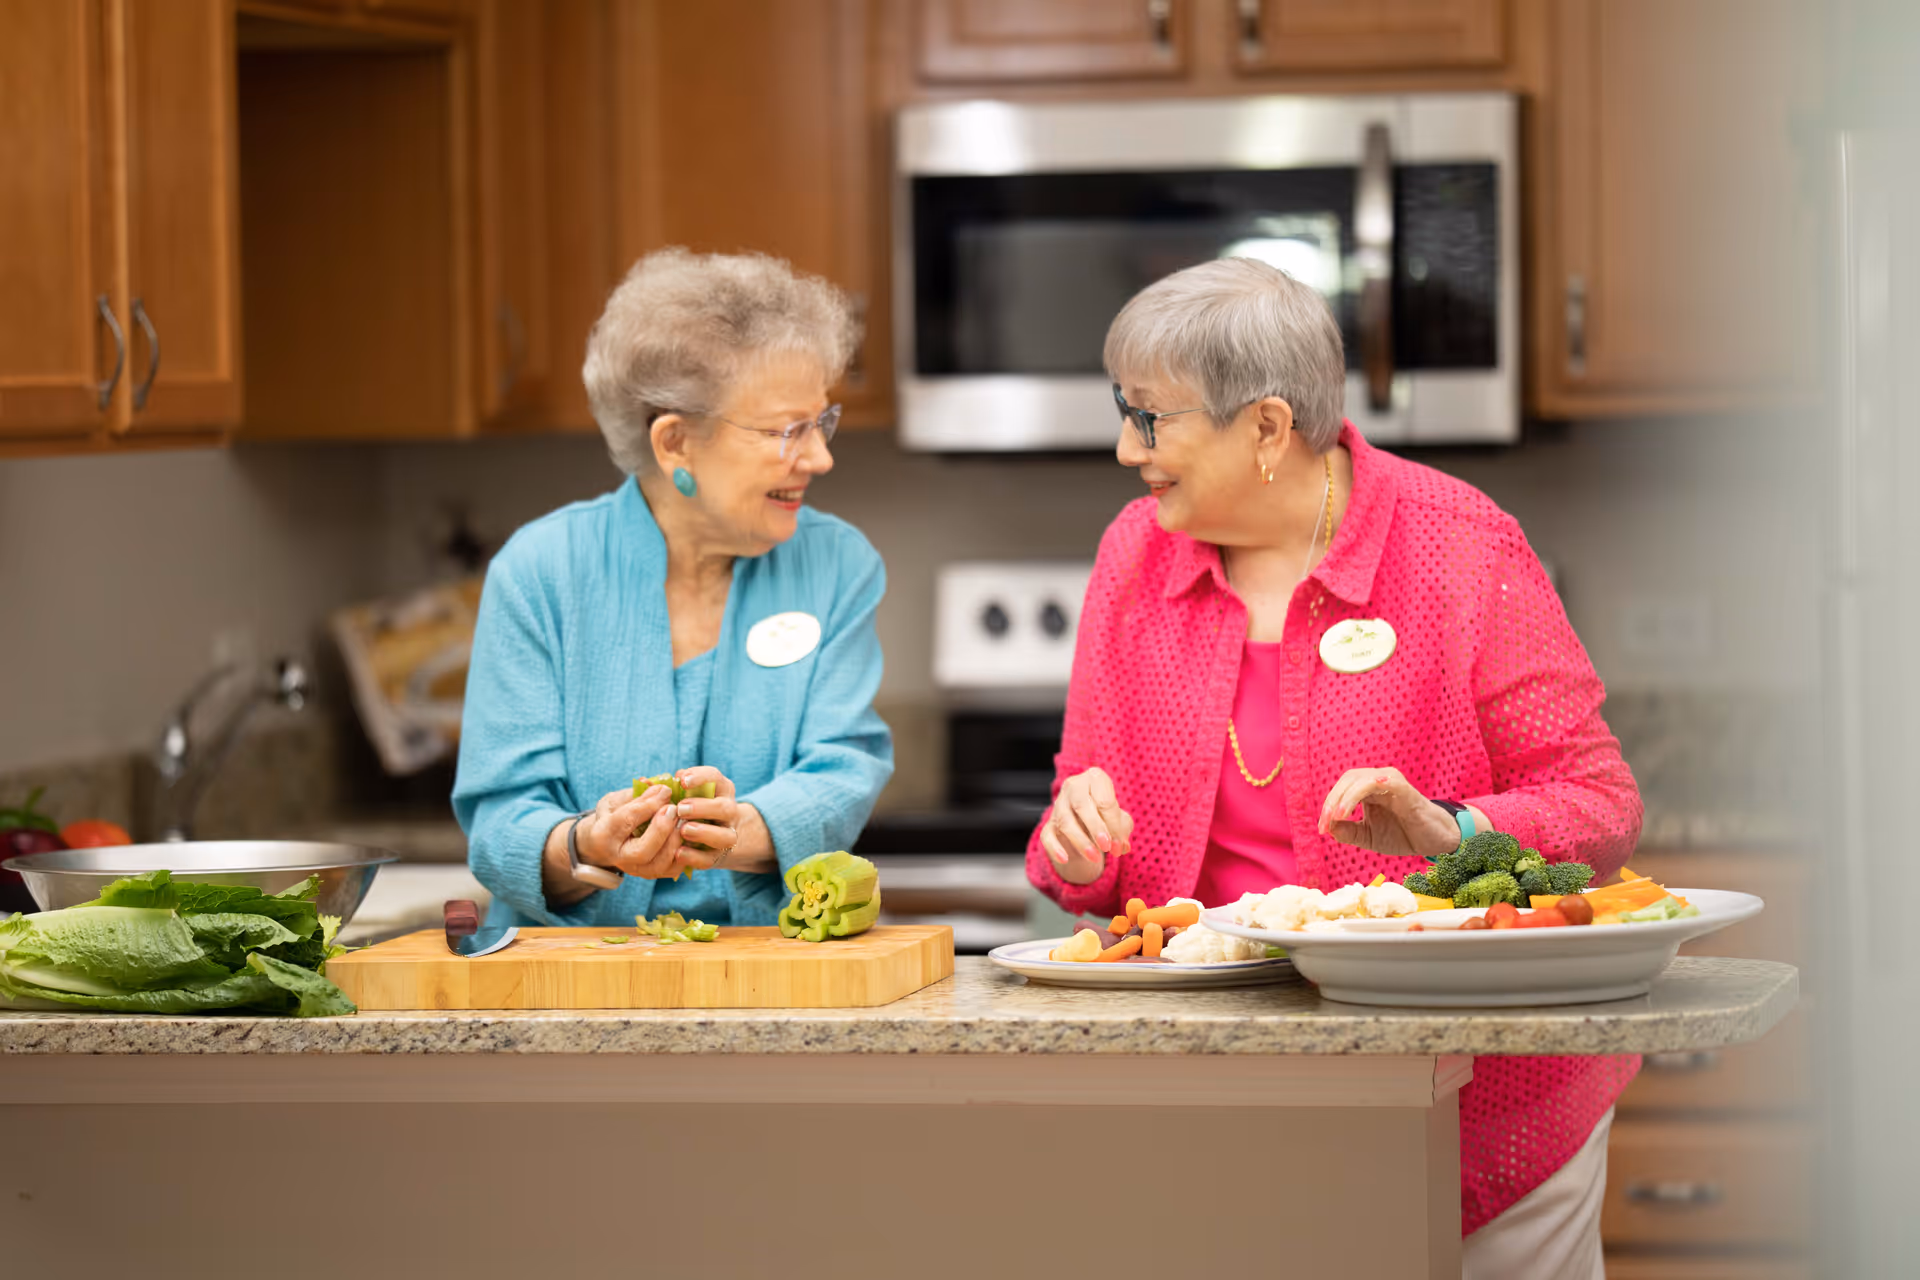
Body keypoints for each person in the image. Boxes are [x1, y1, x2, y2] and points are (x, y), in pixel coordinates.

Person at [1028, 257, 1642, 1278]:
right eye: (1123, 412)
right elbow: (1080, 851)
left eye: (1151, 419)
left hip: (1479, 1096)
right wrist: (1076, 842)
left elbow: (1601, 804)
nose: (1125, 447)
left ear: (1267, 428)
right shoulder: (1134, 555)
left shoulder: (1458, 545)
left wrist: (1454, 828)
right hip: (1223, 1099)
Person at [455, 248, 893, 930]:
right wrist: (583, 846)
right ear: (675, 443)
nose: (820, 457)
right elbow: (501, 818)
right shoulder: (542, 571)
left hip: (770, 980)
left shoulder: (836, 565)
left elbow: (844, 766)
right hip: (564, 991)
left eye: (821, 422)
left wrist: (740, 831)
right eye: (788, 431)